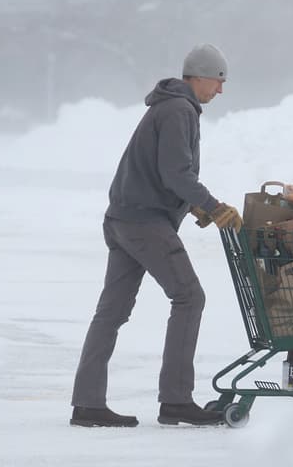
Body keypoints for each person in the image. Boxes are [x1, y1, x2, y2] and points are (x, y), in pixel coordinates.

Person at [70, 44, 243, 428]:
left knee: (110, 312)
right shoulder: (179, 110)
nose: (220, 90)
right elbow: (176, 174)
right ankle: (177, 400)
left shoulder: (165, 107)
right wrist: (213, 207)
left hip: (122, 217)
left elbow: (160, 172)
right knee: (189, 297)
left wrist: (191, 206)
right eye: (218, 81)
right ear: (199, 77)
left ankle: (87, 404)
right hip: (144, 223)